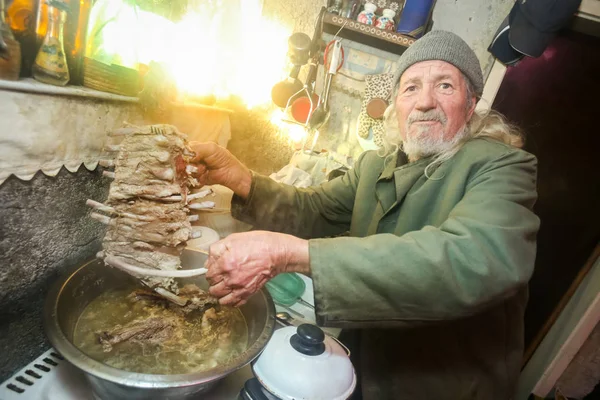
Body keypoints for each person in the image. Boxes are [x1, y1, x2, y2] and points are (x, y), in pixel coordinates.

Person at [190, 30, 540, 400]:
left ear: (470, 105)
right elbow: (316, 210)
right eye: (410, 88)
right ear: (396, 106)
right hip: (361, 365)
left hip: (438, 385)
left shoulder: (502, 166)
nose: (424, 102)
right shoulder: (376, 166)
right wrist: (240, 178)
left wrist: (291, 254)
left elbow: (474, 259)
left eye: (444, 86)